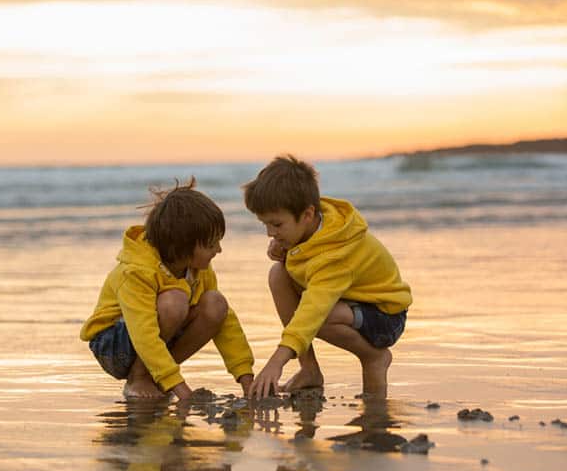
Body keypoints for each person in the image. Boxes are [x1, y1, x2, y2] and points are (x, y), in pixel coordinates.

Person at [243, 155, 411, 399]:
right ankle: (309, 370)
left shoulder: (337, 254)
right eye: (265, 225)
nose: (270, 232)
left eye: (277, 225)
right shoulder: (311, 229)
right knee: (278, 274)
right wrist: (288, 250)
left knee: (318, 316)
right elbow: (308, 264)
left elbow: (313, 309)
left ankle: (374, 357)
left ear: (308, 214)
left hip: (385, 314)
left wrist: (276, 363)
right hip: (350, 301)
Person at [80, 178, 254, 400]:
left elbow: (226, 324)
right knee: (175, 301)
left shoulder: (199, 270)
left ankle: (155, 376)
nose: (218, 250)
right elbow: (143, 333)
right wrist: (179, 388)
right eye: (211, 244)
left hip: (155, 340)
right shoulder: (137, 271)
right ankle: (140, 377)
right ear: (182, 246)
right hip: (114, 343)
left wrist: (246, 377)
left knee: (216, 303)